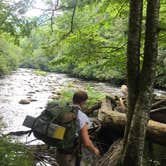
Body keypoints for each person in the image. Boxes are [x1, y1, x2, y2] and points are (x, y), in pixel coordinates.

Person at [56, 90, 100, 166]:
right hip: (69, 156)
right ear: (83, 102)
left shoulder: (63, 111)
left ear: (73, 99)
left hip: (58, 152)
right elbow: (86, 143)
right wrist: (95, 150)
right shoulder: (81, 116)